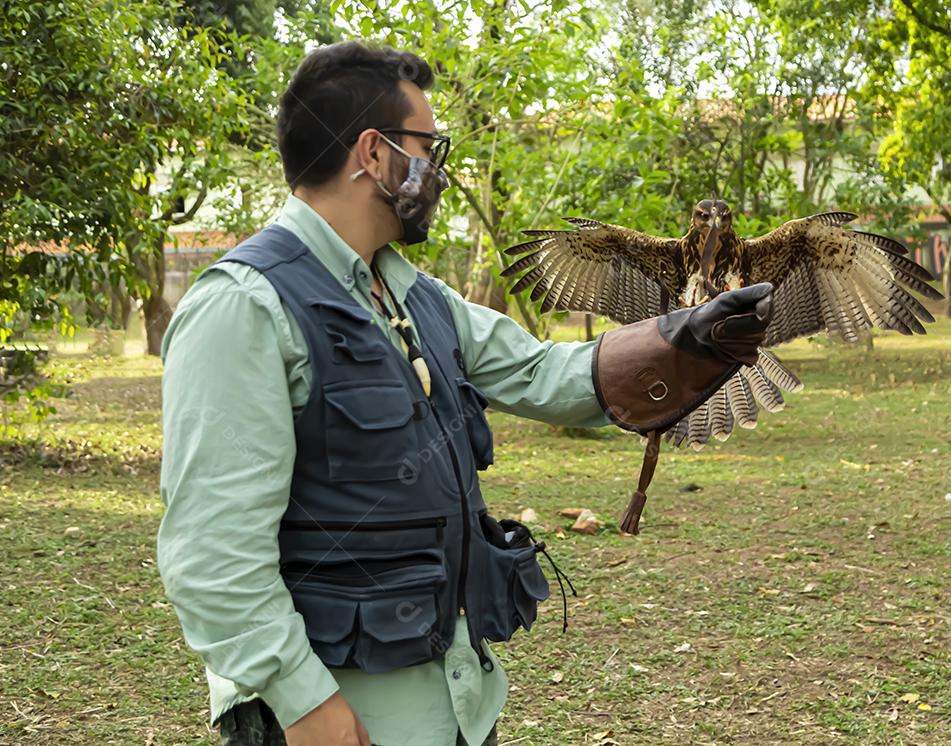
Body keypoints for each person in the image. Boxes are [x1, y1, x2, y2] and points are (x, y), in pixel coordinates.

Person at [157, 41, 773, 746]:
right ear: (373, 152)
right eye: (428, 146)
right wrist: (305, 704)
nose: (439, 171)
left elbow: (544, 373)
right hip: (339, 721)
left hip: (453, 703)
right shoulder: (245, 308)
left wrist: (689, 337)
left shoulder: (412, 294)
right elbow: (211, 554)